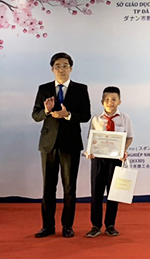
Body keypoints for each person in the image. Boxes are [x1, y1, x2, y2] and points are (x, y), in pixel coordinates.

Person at [32, 52, 91, 238]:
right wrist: (47, 112)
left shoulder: (81, 89)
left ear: (71, 68)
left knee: (69, 187)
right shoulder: (44, 89)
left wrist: (68, 115)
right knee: (48, 187)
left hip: (71, 144)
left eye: (65, 65)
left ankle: (67, 226)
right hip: (48, 144)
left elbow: (86, 115)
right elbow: (35, 115)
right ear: (52, 69)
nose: (62, 69)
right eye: (58, 65)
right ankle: (47, 227)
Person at [84, 86, 134, 238]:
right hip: (98, 160)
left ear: (119, 101)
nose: (110, 103)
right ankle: (96, 225)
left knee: (114, 193)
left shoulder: (125, 119)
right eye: (106, 100)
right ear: (102, 102)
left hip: (115, 161)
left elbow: (129, 137)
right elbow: (91, 139)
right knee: (96, 193)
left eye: (113, 99)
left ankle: (110, 225)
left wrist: (122, 150)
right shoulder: (96, 119)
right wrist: (89, 152)